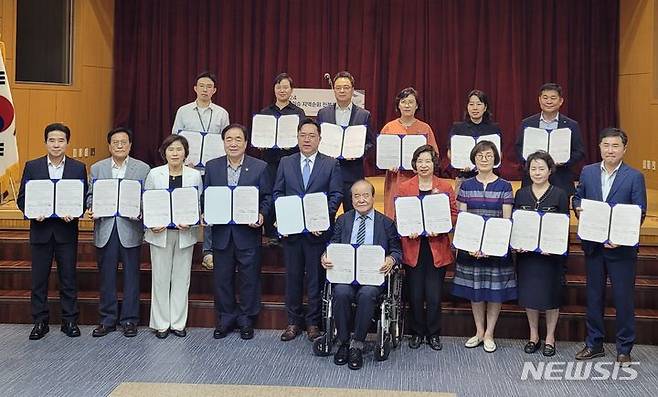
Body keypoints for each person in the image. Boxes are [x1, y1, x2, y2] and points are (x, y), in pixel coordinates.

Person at [573, 128, 647, 366]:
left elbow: (639, 212)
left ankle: (624, 348)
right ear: (600, 147)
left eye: (615, 146)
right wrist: (578, 209)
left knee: (623, 299)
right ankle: (594, 344)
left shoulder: (634, 176)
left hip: (622, 249)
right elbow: (577, 198)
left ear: (625, 149)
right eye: (606, 145)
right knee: (594, 296)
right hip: (594, 245)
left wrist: (622, 237)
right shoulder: (588, 172)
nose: (610, 150)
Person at [273, 118, 343, 342]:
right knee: (293, 278)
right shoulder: (286, 162)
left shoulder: (331, 164)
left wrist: (321, 220)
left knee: (315, 279)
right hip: (292, 233)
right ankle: (293, 322)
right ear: (297, 137)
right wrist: (283, 219)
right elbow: (277, 193)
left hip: (317, 234)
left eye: (312, 135)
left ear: (320, 139)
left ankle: (314, 323)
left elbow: (336, 195)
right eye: (303, 134)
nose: (307, 139)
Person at [320, 179, 402, 370]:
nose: (361, 199)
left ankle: (357, 344)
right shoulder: (343, 220)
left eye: (365, 195)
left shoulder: (386, 223)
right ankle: (343, 342)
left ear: (373, 198)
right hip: (346, 276)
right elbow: (332, 245)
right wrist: (325, 256)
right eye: (356, 196)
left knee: (367, 294)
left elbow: (397, 251)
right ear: (352, 199)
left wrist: (391, 260)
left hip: (372, 277)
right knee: (340, 293)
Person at [17, 123, 88, 340]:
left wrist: (76, 212)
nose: (56, 145)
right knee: (39, 279)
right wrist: (32, 212)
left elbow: (82, 198)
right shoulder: (33, 166)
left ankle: (69, 321)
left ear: (67, 142)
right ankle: (40, 321)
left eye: (61, 140)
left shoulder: (78, 167)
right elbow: (22, 198)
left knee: (68, 278)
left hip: (66, 232)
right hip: (41, 231)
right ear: (45, 142)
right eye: (52, 140)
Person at [204, 124, 271, 340]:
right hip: (222, 233)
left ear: (246, 143)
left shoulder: (259, 166)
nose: (233, 143)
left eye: (238, 139)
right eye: (229, 139)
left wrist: (261, 215)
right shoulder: (212, 167)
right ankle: (225, 318)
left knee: (249, 278)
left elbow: (268, 197)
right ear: (223, 142)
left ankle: (246, 319)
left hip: (248, 233)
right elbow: (207, 197)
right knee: (222, 278)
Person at [452, 141, 516, 353]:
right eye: (480, 156)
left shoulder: (505, 186)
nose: (484, 159)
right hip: (471, 249)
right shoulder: (467, 186)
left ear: (495, 158)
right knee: (476, 290)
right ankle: (479, 331)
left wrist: (491, 246)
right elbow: (463, 219)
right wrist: (470, 245)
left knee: (494, 291)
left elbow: (506, 221)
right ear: (474, 159)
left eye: (489, 155)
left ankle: (490, 333)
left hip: (495, 248)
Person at [87, 127, 150, 338]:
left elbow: (148, 198)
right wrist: (91, 207)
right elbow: (90, 196)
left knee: (132, 276)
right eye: (116, 142)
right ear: (109, 145)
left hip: (130, 228)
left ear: (130, 145)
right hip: (105, 228)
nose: (120, 146)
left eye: (124, 142)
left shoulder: (143, 169)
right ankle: (107, 320)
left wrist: (140, 210)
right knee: (107, 277)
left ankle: (130, 320)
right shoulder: (97, 168)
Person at [396, 145, 457, 350]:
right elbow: (399, 216)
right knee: (415, 294)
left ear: (434, 164)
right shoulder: (405, 188)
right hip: (413, 247)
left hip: (436, 246)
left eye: (427, 161)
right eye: (420, 161)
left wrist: (440, 228)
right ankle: (417, 332)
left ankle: (433, 334)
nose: (423, 165)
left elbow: (454, 214)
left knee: (433, 294)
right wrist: (407, 228)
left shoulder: (445, 187)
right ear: (414, 164)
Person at [144, 135, 203, 339]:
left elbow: (198, 205)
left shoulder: (195, 176)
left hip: (185, 233)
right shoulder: (154, 174)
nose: (175, 153)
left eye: (179, 149)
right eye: (171, 149)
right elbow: (147, 203)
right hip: (159, 233)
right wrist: (152, 223)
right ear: (164, 153)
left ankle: (178, 323)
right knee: (160, 279)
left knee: (181, 278)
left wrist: (192, 220)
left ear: (185, 153)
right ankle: (161, 324)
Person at [172, 71, 230, 271]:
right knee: (189, 204)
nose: (205, 89)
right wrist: (182, 160)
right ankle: (185, 248)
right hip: (189, 168)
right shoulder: (184, 111)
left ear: (214, 90)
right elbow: (175, 140)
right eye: (201, 86)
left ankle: (208, 251)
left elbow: (227, 141)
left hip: (214, 169)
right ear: (195, 88)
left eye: (209, 86)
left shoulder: (221, 113)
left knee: (211, 207)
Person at [513, 151, 569, 357]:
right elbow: (516, 225)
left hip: (551, 257)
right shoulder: (521, 194)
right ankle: (533, 336)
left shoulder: (560, 194)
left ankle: (550, 338)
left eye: (541, 168)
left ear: (550, 170)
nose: (537, 172)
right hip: (528, 257)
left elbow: (563, 227)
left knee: (551, 297)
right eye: (533, 168)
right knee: (531, 296)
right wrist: (516, 244)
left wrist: (555, 248)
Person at [258, 73, 305, 245]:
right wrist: (260, 143)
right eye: (278, 87)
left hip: (290, 161)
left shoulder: (298, 113)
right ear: (274, 89)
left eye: (285, 87)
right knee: (270, 194)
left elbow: (303, 137)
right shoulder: (265, 112)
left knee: (288, 194)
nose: (282, 90)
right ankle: (271, 232)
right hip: (269, 162)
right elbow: (258, 135)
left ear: (291, 90)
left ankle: (287, 229)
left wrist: (292, 144)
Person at [515, 82, 585, 197]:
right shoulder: (527, 123)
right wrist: (531, 162)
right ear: (539, 100)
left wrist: (565, 160)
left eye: (553, 98)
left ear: (561, 101)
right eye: (545, 98)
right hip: (532, 179)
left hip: (561, 179)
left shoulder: (571, 125)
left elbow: (579, 151)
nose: (549, 101)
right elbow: (518, 148)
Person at [316, 71, 372, 212]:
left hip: (352, 173)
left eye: (346, 87)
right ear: (333, 89)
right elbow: (317, 140)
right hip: (326, 173)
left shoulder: (364, 115)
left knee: (352, 213)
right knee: (326, 213)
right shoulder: (323, 113)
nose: (342, 91)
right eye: (338, 87)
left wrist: (358, 152)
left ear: (353, 90)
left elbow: (371, 143)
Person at [381, 87, 439, 219]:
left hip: (419, 179)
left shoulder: (425, 128)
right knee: (393, 215)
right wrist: (387, 164)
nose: (407, 105)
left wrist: (422, 166)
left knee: (415, 215)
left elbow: (434, 155)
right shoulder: (389, 127)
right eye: (403, 101)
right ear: (398, 105)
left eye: (411, 102)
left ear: (417, 105)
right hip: (395, 179)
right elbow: (381, 155)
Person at [447, 89, 501, 192]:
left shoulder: (494, 129)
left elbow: (498, 154)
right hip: (464, 177)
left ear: (485, 107)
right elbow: (450, 153)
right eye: (471, 104)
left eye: (479, 104)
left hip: (489, 177)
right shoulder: (458, 128)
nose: (475, 108)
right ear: (467, 107)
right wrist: (460, 163)